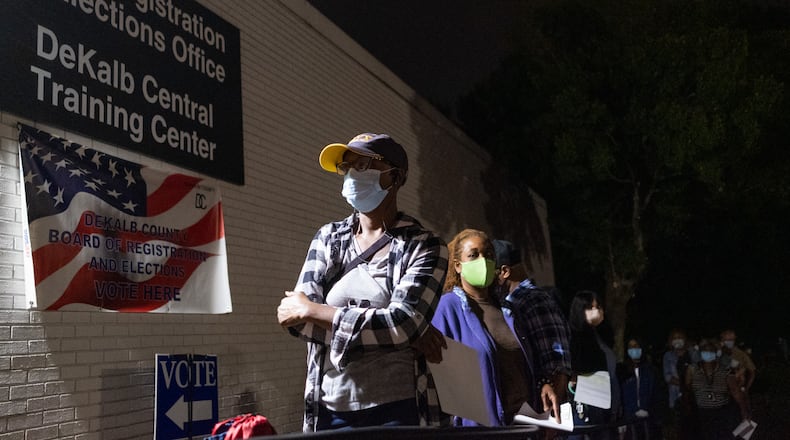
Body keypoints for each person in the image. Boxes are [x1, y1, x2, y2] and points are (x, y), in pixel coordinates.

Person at [277, 133, 448, 431]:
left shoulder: (424, 245)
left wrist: (315, 311)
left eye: (364, 164)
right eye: (347, 166)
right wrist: (393, 337)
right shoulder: (328, 238)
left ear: (395, 177)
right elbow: (293, 319)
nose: (352, 174)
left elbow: (403, 323)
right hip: (329, 409)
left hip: (396, 410)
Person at [431, 229, 564, 427]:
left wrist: (543, 383)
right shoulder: (448, 309)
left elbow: (525, 366)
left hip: (524, 426)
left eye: (488, 255)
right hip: (480, 431)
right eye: (474, 255)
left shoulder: (509, 311)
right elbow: (441, 383)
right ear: (458, 266)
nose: (483, 261)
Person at [491, 239, 572, 410]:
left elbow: (557, 364)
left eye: (491, 272)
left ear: (504, 271)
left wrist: (550, 421)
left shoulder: (533, 301)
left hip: (541, 414)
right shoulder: (512, 303)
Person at [567, 290, 620, 440]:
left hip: (604, 398)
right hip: (586, 399)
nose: (597, 311)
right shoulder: (574, 337)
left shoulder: (601, 335)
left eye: (598, 306)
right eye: (590, 307)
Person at [684, 338, 750, 440]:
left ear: (715, 354)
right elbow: (688, 389)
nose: (708, 353)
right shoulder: (692, 370)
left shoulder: (725, 371)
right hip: (701, 414)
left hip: (722, 414)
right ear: (700, 353)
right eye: (705, 351)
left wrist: (744, 414)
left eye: (711, 351)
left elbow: (736, 393)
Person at [616, 337, 662, 440]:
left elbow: (657, 395)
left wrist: (651, 411)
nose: (633, 349)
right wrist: (621, 420)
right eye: (630, 347)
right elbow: (620, 396)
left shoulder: (650, 370)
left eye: (636, 346)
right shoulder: (622, 370)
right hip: (629, 420)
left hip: (649, 419)